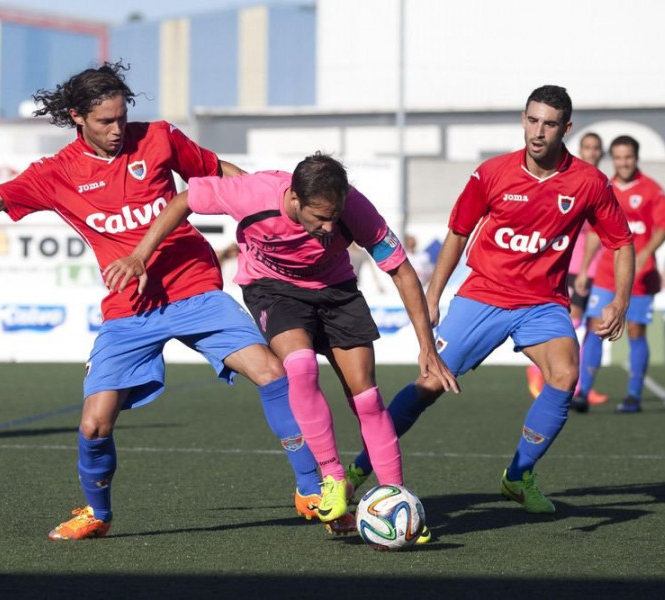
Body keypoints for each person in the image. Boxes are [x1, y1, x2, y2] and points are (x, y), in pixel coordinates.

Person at [0, 61, 334, 540]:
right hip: (129, 308)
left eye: (121, 117)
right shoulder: (55, 174)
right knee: (94, 424)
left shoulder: (158, 137)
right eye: (105, 122)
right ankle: (97, 513)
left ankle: (310, 488)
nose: (118, 130)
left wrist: (273, 206)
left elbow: (223, 174)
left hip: (194, 286)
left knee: (272, 372)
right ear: (77, 117)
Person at [103, 153, 459, 538]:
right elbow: (185, 199)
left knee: (367, 397)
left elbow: (402, 271)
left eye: (334, 217)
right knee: (301, 366)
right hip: (273, 290)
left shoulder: (353, 206)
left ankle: (395, 498)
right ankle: (332, 479)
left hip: (336, 292)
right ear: (294, 199)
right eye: (319, 217)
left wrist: (426, 347)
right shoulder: (252, 193)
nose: (328, 226)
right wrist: (140, 256)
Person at [346, 85, 634, 514]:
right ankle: (357, 470)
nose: (538, 132)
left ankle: (518, 477)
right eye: (532, 120)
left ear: (566, 128)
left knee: (565, 373)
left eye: (550, 124)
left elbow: (622, 242)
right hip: (483, 295)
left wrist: (620, 301)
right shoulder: (492, 173)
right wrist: (434, 294)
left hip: (542, 304)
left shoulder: (589, 182)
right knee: (428, 383)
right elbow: (458, 233)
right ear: (523, 119)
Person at [576, 135, 665, 413]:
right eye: (618, 157)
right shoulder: (604, 187)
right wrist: (584, 269)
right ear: (612, 158)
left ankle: (633, 395)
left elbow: (663, 228)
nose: (623, 162)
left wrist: (644, 254)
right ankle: (583, 392)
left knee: (635, 330)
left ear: (636, 157)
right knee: (595, 327)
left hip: (640, 275)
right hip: (607, 272)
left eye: (627, 157)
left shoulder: (653, 190)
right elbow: (594, 231)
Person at [526, 131, 608, 405]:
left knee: (591, 327)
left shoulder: (600, 182)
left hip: (600, 269)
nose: (592, 152)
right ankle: (539, 369)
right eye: (587, 147)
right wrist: (583, 269)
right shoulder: (573, 181)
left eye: (596, 148)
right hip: (576, 266)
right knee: (570, 324)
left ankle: (582, 385)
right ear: (580, 150)